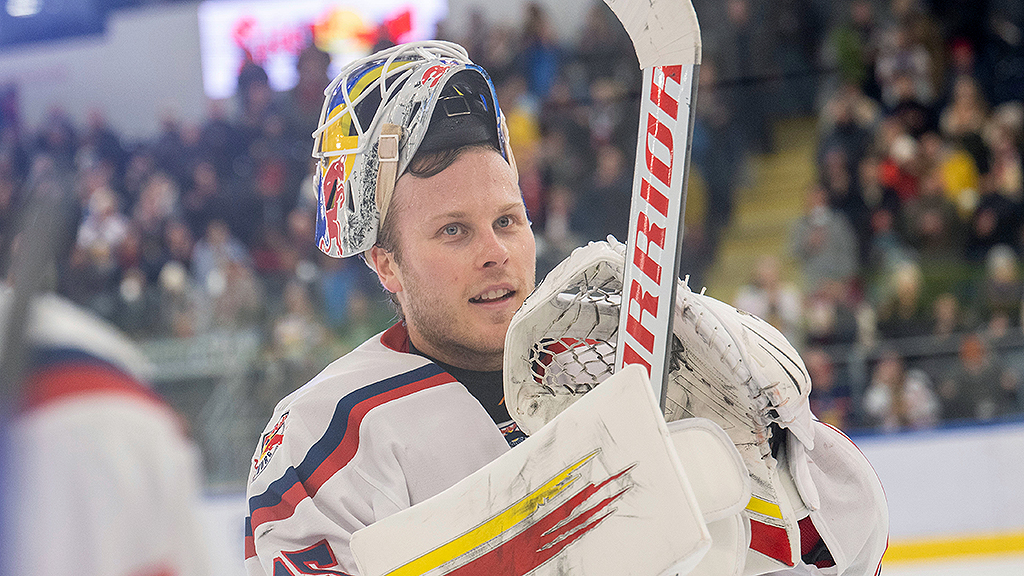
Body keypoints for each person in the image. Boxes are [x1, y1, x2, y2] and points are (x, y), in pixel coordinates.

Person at [246, 41, 886, 576]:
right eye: (453, 231)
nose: (495, 253)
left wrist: (776, 464)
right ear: (385, 262)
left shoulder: (620, 368)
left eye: (507, 220)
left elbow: (833, 560)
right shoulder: (319, 436)